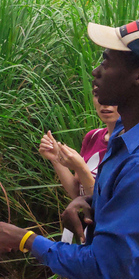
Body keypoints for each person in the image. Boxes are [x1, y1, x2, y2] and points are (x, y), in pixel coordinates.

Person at [0, 16, 139, 279]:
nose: (96, 71)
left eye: (107, 61)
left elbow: (105, 266)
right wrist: (92, 201)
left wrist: (25, 240)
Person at [39, 93, 119, 243]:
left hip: (105, 237)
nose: (104, 101)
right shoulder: (93, 136)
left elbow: (105, 207)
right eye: (97, 93)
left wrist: (81, 168)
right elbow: (78, 193)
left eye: (114, 93)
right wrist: (56, 158)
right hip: (80, 231)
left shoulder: (130, 147)